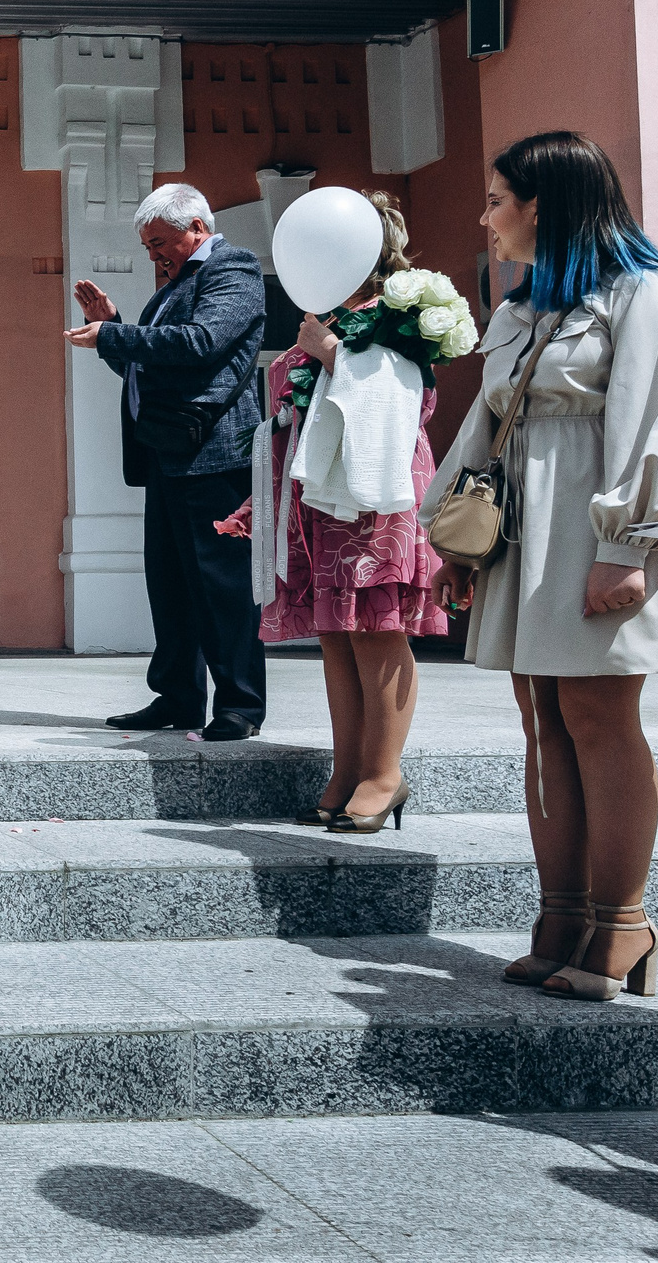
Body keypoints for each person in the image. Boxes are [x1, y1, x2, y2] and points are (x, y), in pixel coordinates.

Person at [429, 130, 658, 1002]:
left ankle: (623, 921)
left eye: (496, 201)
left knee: (598, 715)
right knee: (542, 719)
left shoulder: (647, 293)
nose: (484, 218)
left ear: (543, 205)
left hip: (597, 530)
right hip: (526, 533)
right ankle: (562, 917)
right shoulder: (523, 306)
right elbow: (487, 427)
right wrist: (461, 547)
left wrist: (625, 548)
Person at [217, 192, 447, 832]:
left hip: (375, 497)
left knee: (376, 630)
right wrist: (262, 501)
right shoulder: (327, 317)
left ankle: (384, 774)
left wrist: (332, 356)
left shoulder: (397, 319)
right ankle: (348, 771)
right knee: (338, 638)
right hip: (317, 497)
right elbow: (293, 421)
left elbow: (406, 402)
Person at [67, 183, 269, 741]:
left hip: (214, 455)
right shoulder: (174, 286)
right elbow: (151, 371)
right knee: (171, 584)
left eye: (159, 242)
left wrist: (116, 334)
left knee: (222, 586)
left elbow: (201, 343)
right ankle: (179, 697)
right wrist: (114, 331)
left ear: (196, 228)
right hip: (170, 453)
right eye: (148, 246)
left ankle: (239, 706)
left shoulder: (233, 268)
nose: (153, 255)